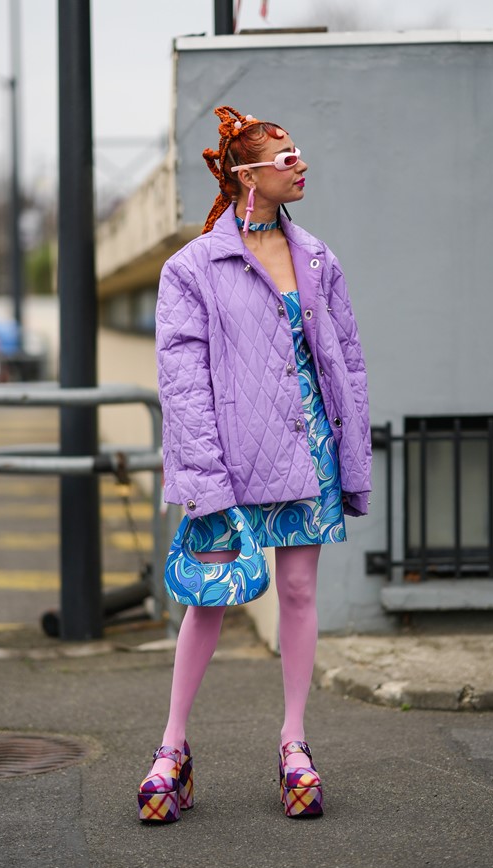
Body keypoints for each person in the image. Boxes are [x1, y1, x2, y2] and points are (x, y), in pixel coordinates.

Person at [137, 106, 371, 823]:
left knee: (298, 594)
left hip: (308, 455)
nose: (301, 164)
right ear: (246, 174)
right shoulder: (191, 269)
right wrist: (204, 481)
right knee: (206, 602)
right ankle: (172, 749)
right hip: (229, 461)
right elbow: (182, 384)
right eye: (286, 155)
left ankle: (295, 743)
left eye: (300, 153)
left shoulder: (320, 259)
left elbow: (347, 366)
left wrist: (352, 456)